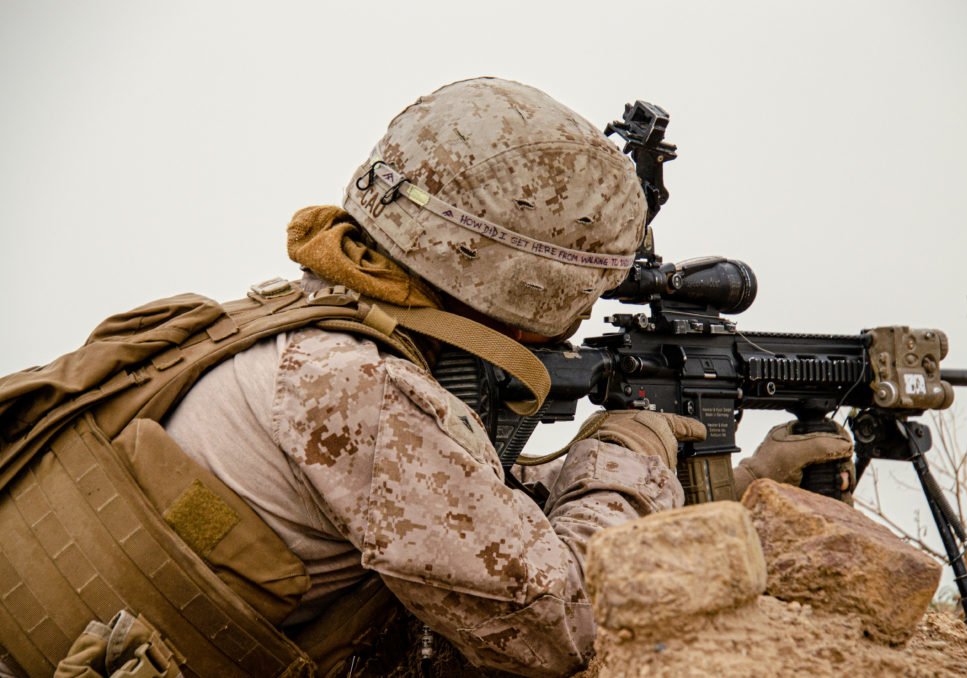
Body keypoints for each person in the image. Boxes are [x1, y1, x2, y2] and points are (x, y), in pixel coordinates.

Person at [0, 77, 852, 678]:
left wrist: (735, 487)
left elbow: (465, 506)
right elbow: (552, 626)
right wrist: (627, 449)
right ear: (527, 285)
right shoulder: (361, 391)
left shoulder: (298, 329)